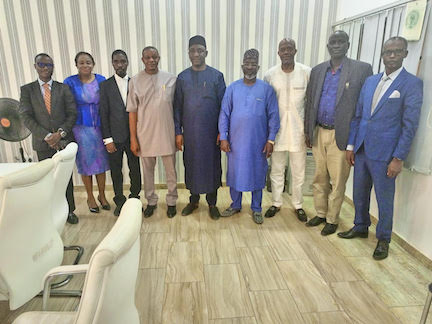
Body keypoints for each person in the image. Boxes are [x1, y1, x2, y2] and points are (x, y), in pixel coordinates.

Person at [338, 36, 423, 260]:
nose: (392, 55)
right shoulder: (371, 81)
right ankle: (360, 226)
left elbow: (410, 125)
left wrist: (398, 157)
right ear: (382, 54)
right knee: (359, 193)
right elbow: (359, 116)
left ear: (405, 54)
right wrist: (351, 145)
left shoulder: (411, 84)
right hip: (362, 149)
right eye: (388, 52)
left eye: (397, 51)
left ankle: (383, 238)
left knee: (384, 199)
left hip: (386, 154)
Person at [304, 30, 373, 235]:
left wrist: (356, 140)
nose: (336, 45)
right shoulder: (317, 71)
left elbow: (364, 106)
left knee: (338, 180)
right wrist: (308, 131)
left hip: (342, 135)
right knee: (319, 178)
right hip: (318, 132)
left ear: (348, 45)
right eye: (332, 42)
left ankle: (333, 219)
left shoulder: (361, 70)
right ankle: (321, 213)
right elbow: (309, 103)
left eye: (340, 42)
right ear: (328, 46)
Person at [219, 49, 280, 224]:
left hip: (258, 142)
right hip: (236, 143)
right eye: (247, 63)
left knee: (257, 174)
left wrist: (270, 139)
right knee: (235, 174)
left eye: (254, 64)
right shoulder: (232, 88)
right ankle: (235, 204)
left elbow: (274, 116)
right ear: (242, 66)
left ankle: (256, 208)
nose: (250, 67)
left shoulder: (266, 90)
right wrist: (223, 137)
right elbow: (224, 114)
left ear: (258, 66)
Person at [20, 53, 78, 224]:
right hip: (42, 142)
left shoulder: (63, 88)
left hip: (63, 141)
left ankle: (69, 211)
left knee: (65, 178)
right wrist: (47, 136)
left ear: (53, 67)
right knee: (47, 179)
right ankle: (51, 212)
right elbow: (26, 117)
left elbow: (72, 113)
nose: (45, 68)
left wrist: (60, 133)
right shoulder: (27, 90)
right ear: (35, 66)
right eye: (41, 64)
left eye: (49, 65)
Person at [174, 35, 226, 220]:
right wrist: (177, 132)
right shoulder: (182, 77)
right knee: (192, 166)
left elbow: (224, 108)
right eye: (193, 50)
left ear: (206, 53)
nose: (196, 54)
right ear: (188, 53)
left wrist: (223, 132)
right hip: (190, 134)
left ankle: (212, 203)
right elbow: (177, 107)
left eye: (200, 51)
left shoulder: (216, 76)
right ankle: (193, 200)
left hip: (211, 134)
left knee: (212, 167)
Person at [263, 38, 311, 221]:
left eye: (289, 49)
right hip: (277, 131)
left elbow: (311, 103)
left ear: (295, 51)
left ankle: (298, 205)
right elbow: (266, 106)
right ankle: (276, 203)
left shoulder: (306, 72)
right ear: (278, 52)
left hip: (299, 132)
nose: (286, 52)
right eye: (283, 49)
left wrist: (309, 132)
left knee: (299, 171)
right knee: (276, 169)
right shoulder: (270, 75)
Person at [127, 46, 177, 218]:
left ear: (159, 58)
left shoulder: (171, 79)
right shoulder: (134, 80)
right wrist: (133, 138)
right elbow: (132, 112)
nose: (151, 60)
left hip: (167, 132)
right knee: (148, 171)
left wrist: (179, 133)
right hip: (145, 134)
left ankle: (171, 201)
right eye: (147, 57)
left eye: (154, 57)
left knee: (171, 171)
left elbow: (177, 109)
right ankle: (151, 201)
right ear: (142, 60)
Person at [64, 52, 110, 213]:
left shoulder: (101, 80)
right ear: (76, 65)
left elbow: (106, 103)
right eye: (81, 63)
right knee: (86, 164)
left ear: (93, 64)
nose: (85, 65)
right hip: (79, 128)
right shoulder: (69, 82)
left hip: (99, 127)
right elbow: (66, 106)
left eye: (88, 62)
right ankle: (90, 196)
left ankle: (102, 195)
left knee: (102, 164)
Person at [100, 50, 142, 216]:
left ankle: (135, 198)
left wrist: (138, 136)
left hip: (134, 137)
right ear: (112, 63)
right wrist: (107, 139)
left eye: (123, 61)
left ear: (127, 63)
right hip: (114, 138)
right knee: (116, 171)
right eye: (116, 61)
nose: (120, 65)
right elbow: (103, 113)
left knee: (135, 169)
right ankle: (119, 200)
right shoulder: (105, 86)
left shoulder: (135, 83)